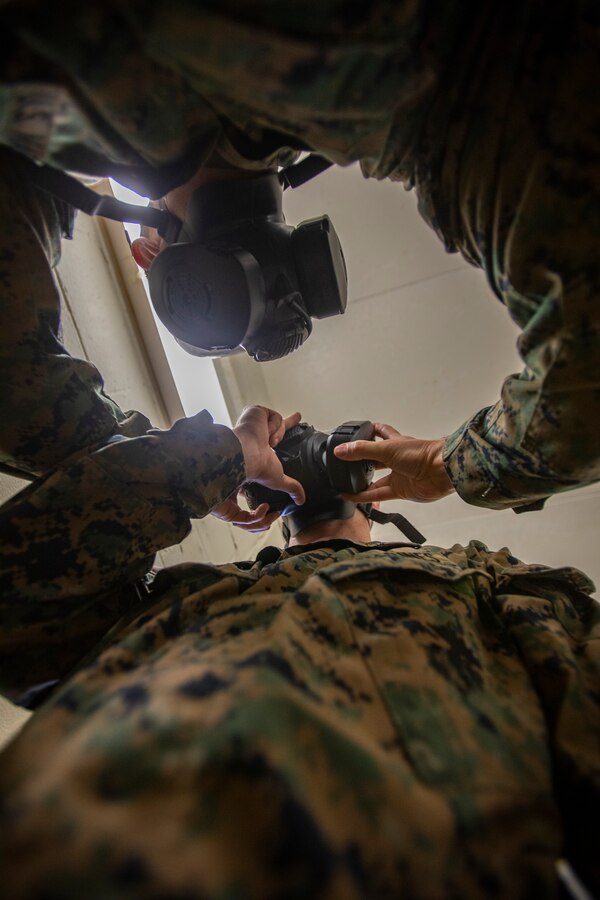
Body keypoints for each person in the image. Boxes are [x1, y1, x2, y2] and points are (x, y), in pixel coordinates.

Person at [0, 0, 599, 515]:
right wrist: (206, 466)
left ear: (154, 255)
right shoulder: (430, 87)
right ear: (154, 258)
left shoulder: (426, 93)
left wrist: (216, 464)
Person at [0, 407, 599, 899]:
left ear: (372, 491)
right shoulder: (181, 589)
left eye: (335, 452)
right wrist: (221, 456)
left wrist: (448, 462)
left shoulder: (480, 576)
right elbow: (18, 599)